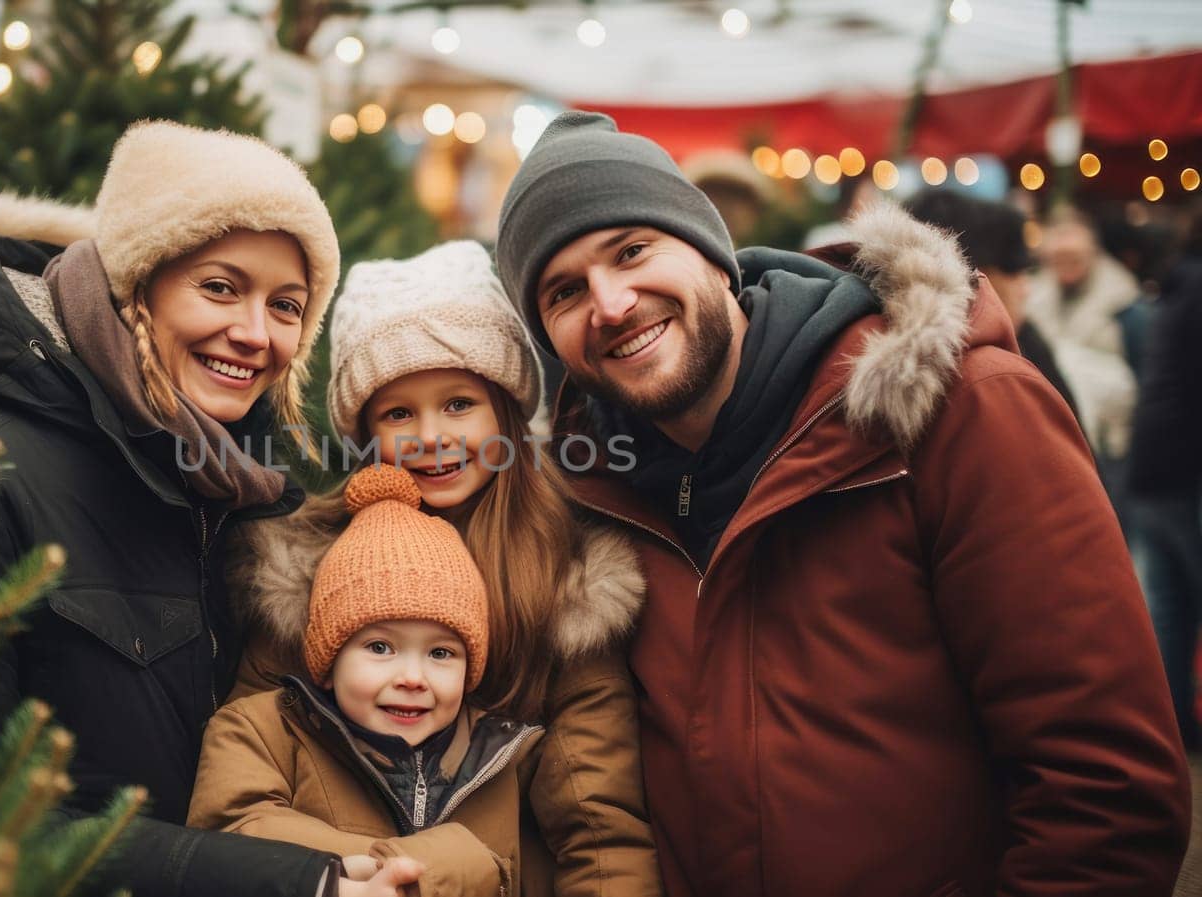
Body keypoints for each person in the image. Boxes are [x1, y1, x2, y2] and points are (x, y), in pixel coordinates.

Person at [495, 111, 1190, 897]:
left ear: (713, 253)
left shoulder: (958, 413)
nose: (612, 302)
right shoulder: (588, 494)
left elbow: (1105, 790)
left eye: (631, 250)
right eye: (564, 291)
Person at [0, 121, 415, 896]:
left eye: (287, 305)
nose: (254, 334)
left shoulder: (230, 480)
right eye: (219, 286)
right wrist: (302, 885)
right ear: (136, 283)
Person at [226, 241, 666, 895]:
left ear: (506, 413)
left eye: (459, 403)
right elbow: (241, 780)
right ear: (367, 434)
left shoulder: (562, 582)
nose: (431, 435)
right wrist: (379, 870)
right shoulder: (317, 571)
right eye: (399, 412)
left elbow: (600, 833)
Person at [192, 465, 543, 895]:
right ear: (330, 655)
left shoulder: (504, 758)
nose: (412, 678)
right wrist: (436, 868)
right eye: (380, 648)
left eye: (440, 653)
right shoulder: (260, 731)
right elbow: (233, 835)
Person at [1127, 202, 1202, 751]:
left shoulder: (1174, 286)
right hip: (1186, 470)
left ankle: (1173, 733)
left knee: (1170, 610)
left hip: (1151, 464)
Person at [903, 188, 1079, 419]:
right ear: (975, 278)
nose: (1026, 289)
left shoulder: (1029, 344)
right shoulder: (995, 374)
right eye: (1014, 273)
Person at [1028, 206, 1142, 465]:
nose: (1065, 265)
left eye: (1073, 257)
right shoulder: (1034, 297)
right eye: (1058, 258)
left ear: (1092, 252)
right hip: (1054, 437)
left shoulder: (1126, 304)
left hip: (1114, 444)